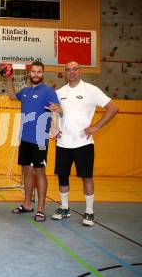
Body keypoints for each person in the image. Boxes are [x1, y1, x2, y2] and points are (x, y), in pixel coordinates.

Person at [51, 61, 118, 226]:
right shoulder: (59, 92)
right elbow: (54, 113)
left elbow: (113, 108)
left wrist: (96, 126)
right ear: (65, 72)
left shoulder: (91, 90)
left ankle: (89, 212)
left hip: (84, 143)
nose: (71, 72)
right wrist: (55, 130)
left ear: (80, 71)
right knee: (62, 177)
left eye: (74, 69)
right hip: (63, 143)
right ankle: (64, 208)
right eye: (68, 70)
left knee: (87, 177)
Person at [6, 61, 60, 222]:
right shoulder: (26, 91)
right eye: (33, 71)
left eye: (39, 72)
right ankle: (27, 204)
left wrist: (55, 127)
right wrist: (9, 79)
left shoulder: (48, 91)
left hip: (40, 139)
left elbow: (57, 110)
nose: (36, 74)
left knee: (39, 172)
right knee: (27, 172)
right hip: (25, 138)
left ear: (42, 74)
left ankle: (41, 209)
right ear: (30, 73)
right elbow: (11, 96)